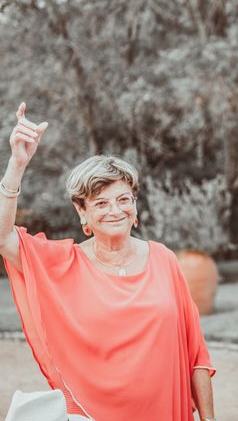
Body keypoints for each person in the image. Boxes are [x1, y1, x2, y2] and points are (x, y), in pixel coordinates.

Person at [0, 103, 216, 420]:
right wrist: (16, 166)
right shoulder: (64, 263)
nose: (115, 210)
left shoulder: (164, 260)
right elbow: (4, 239)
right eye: (100, 202)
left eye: (123, 199)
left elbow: (196, 352)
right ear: (82, 212)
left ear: (135, 205)